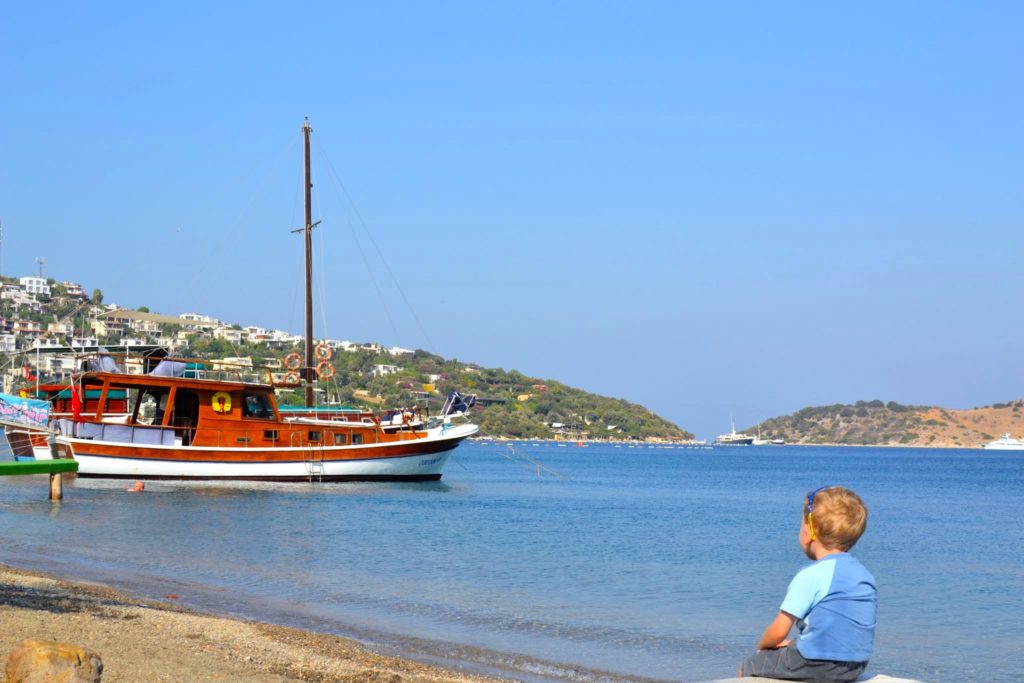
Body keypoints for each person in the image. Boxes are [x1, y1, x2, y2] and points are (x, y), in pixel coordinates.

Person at [738, 486, 876, 682]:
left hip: (817, 663)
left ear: (811, 530)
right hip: (856, 664)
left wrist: (763, 648)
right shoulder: (864, 574)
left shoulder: (812, 574)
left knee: (751, 664)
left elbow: (778, 631)